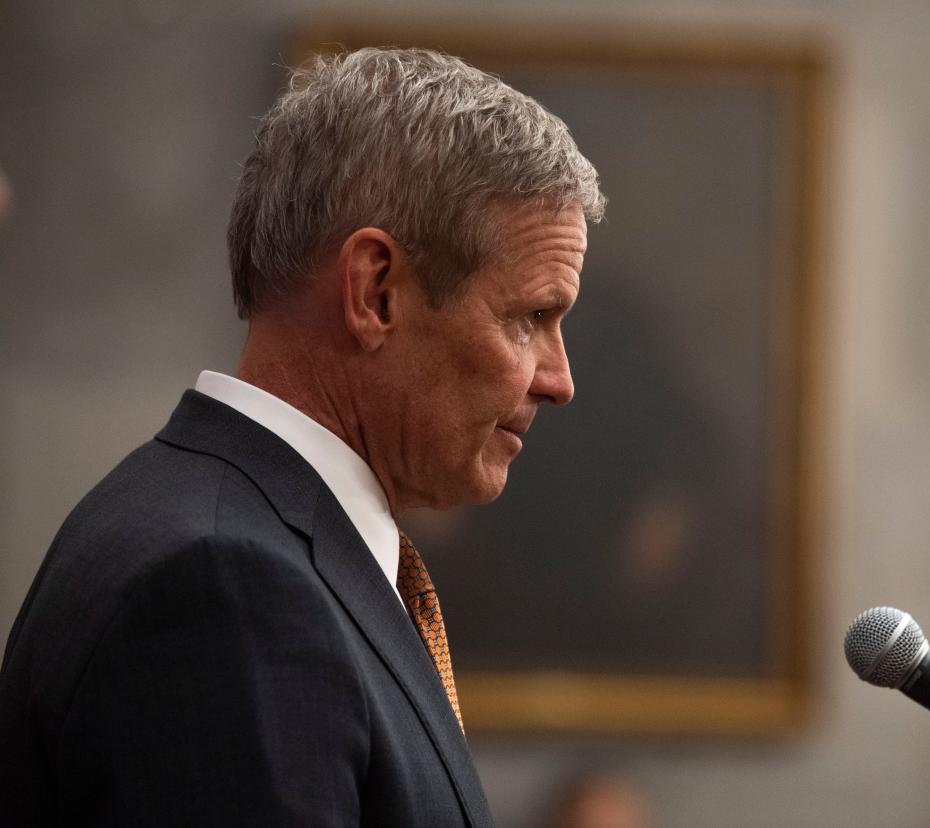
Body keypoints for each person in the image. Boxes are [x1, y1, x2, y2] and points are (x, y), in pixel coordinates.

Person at [0, 47, 604, 826]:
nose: (559, 379)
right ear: (375, 290)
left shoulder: (228, 536)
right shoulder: (223, 585)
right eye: (529, 317)